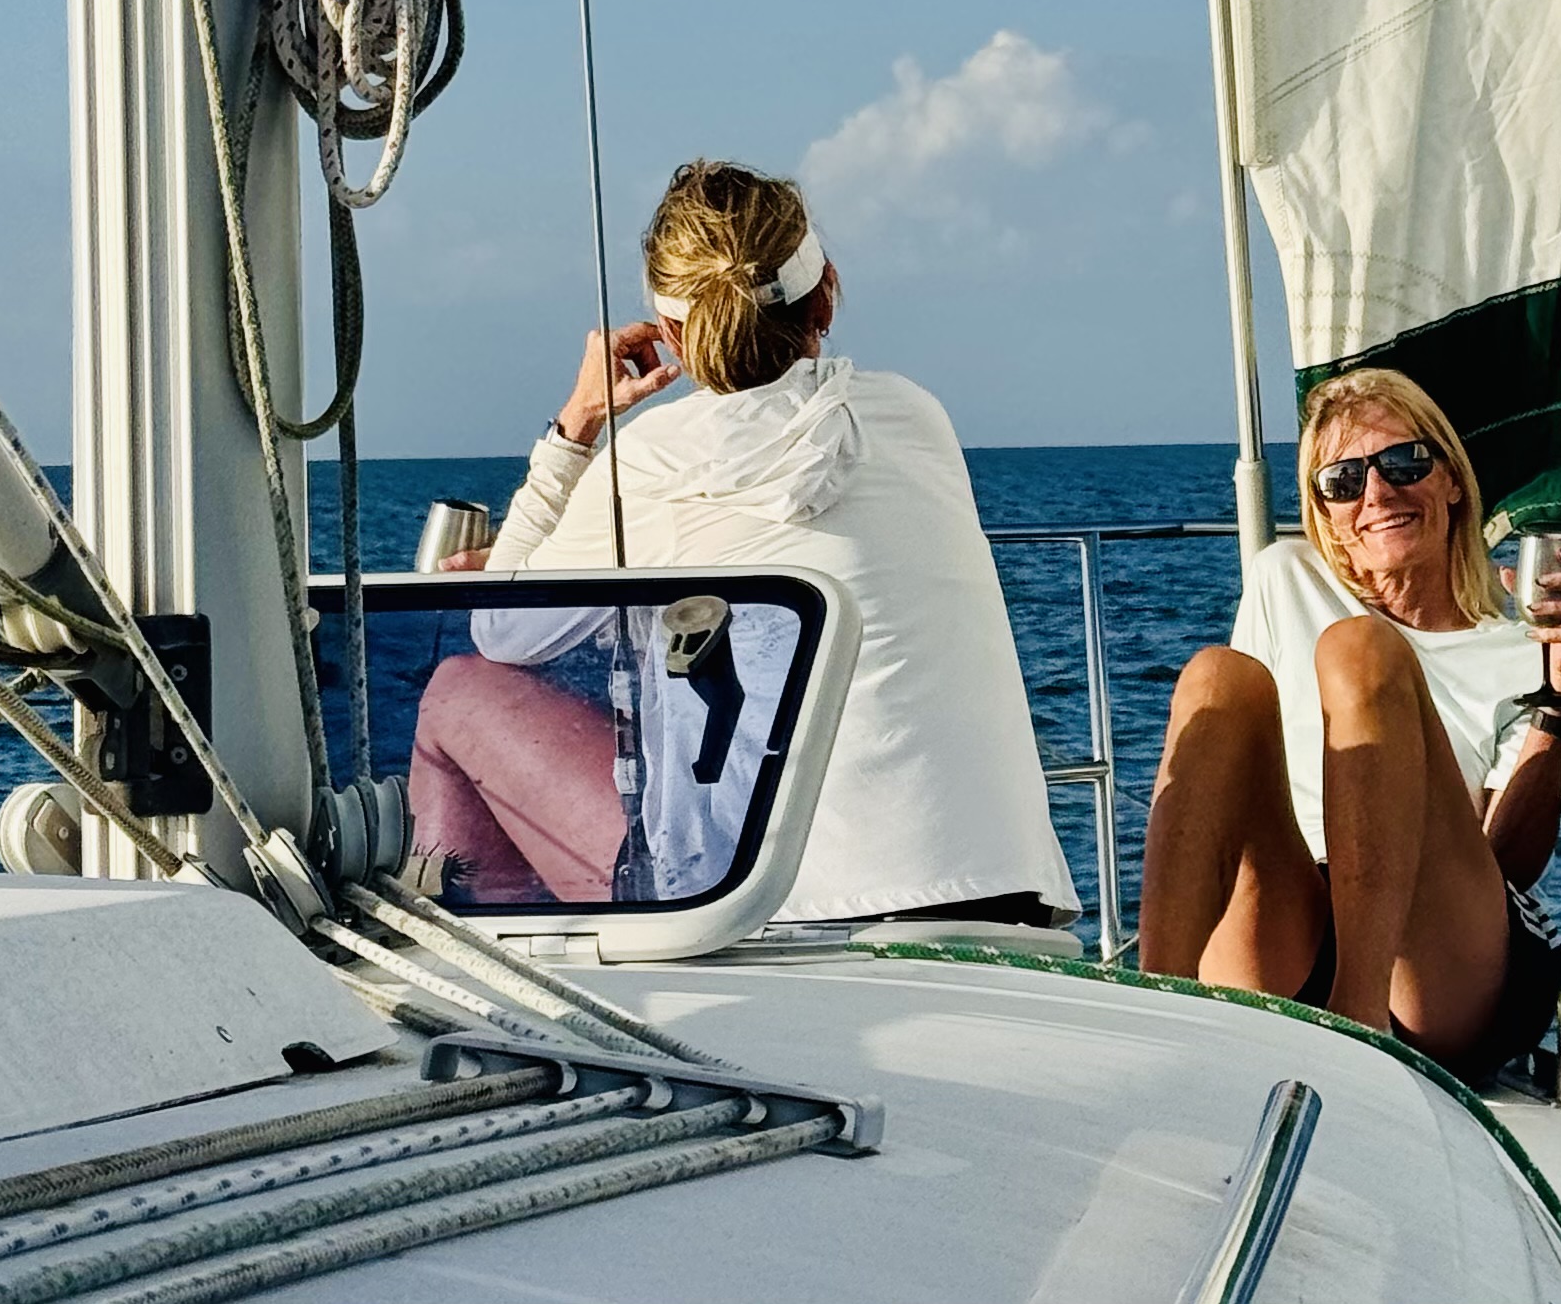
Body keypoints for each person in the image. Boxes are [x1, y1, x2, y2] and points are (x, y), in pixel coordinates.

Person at [408, 159, 1078, 926]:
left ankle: (486, 988)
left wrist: (576, 428)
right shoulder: (914, 416)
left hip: (779, 916)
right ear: (825, 293)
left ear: (670, 335)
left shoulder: (650, 463)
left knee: (459, 694)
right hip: (1005, 903)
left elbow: (501, 628)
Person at [1138, 366, 1561, 1086]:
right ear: (1324, 515)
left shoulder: (1536, 650)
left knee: (1360, 652)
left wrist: (1559, 696)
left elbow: (1509, 863)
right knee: (1215, 678)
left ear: (1452, 479)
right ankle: (1152, 1022)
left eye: (1404, 463)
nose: (1378, 494)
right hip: (1296, 920)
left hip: (1438, 964)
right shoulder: (1283, 577)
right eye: (1343, 481)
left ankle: (1358, 1033)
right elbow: (1238, 781)